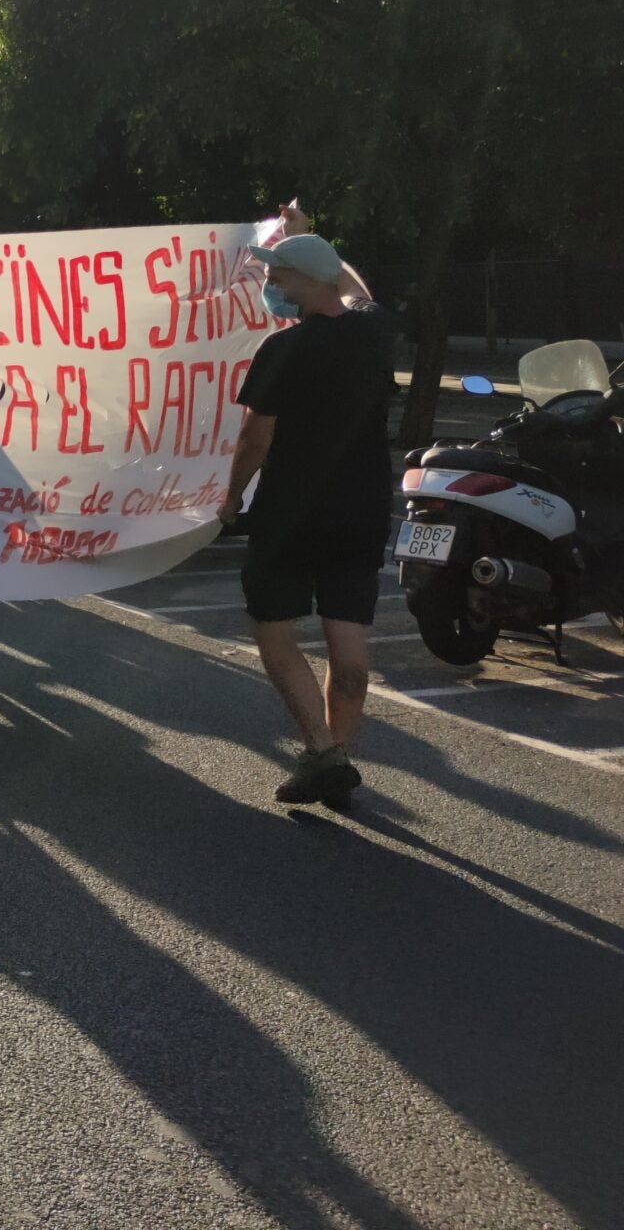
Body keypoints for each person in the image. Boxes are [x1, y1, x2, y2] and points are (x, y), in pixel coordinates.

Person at [224, 213, 392, 808]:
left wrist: (228, 498)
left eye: (282, 275)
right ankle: (337, 757)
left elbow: (255, 437)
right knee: (348, 637)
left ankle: (322, 752)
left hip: (291, 514)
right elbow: (357, 291)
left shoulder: (284, 348)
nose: (277, 285)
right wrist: (310, 233)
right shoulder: (374, 332)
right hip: (362, 508)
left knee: (274, 627)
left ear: (301, 280)